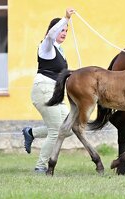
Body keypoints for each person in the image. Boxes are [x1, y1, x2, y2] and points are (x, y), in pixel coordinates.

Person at [22, 7, 76, 173]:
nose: (64, 33)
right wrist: (65, 18)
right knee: (55, 130)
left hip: (55, 93)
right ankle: (40, 167)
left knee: (68, 129)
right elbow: (51, 35)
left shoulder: (61, 51)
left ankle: (31, 132)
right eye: (62, 30)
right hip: (43, 89)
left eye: (66, 30)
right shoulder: (46, 46)